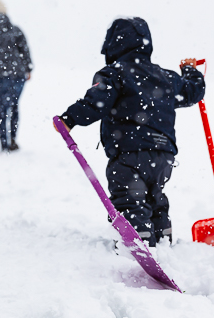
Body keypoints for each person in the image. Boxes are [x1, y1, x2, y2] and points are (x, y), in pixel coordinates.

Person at [56, 17, 205, 246]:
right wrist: (190, 71)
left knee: (130, 199)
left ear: (113, 44)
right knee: (155, 197)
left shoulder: (115, 73)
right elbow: (193, 91)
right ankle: (162, 238)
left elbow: (96, 101)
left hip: (129, 153)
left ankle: (138, 243)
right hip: (163, 156)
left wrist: (69, 119)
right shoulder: (165, 77)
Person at [0, 0, 33, 152]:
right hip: (18, 75)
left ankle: (4, 144)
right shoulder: (16, 30)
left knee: (2, 110)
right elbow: (25, 50)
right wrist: (28, 69)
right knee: (14, 106)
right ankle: (13, 140)